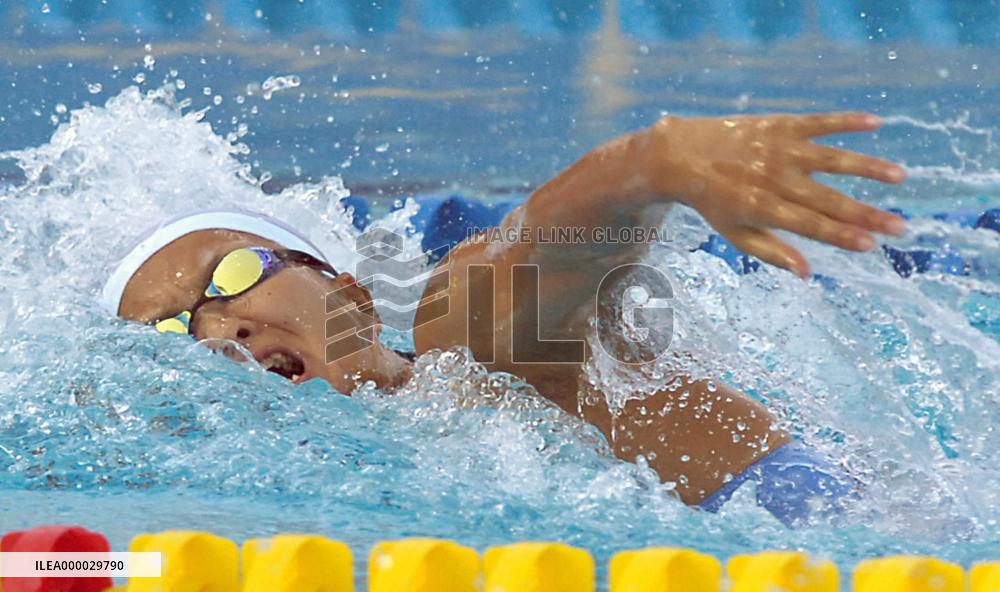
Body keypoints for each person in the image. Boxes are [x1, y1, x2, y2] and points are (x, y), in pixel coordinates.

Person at [102, 112, 906, 525]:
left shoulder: (467, 358)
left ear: (347, 295)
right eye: (175, 333)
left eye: (231, 277)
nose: (217, 331)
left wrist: (657, 163)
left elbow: (530, 257)